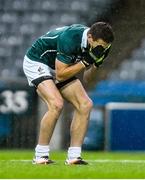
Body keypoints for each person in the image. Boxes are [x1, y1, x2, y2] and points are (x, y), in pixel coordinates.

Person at [23, 22, 114, 165]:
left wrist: (96, 63)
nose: (103, 49)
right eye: (100, 46)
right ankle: (40, 155)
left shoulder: (103, 46)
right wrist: (85, 62)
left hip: (60, 67)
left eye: (105, 47)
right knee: (56, 104)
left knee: (85, 105)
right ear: (90, 37)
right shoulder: (71, 38)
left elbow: (87, 78)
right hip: (38, 62)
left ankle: (74, 157)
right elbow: (60, 74)